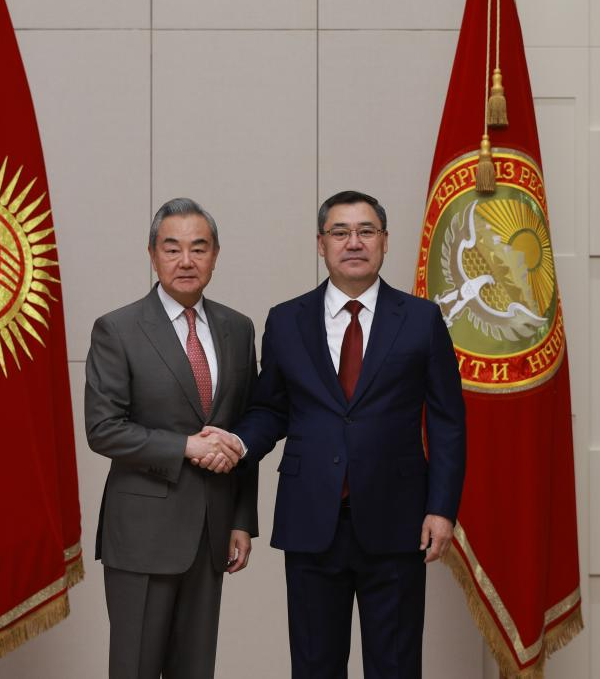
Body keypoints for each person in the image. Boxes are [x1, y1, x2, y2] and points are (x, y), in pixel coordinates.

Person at [204, 190, 466, 678]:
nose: (354, 242)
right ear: (321, 244)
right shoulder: (287, 320)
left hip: (398, 520)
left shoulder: (422, 320)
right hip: (311, 520)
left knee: (396, 666)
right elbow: (270, 409)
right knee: (315, 666)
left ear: (385, 241)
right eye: (340, 232)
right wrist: (236, 444)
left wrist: (441, 508)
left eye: (366, 231)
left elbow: (447, 421)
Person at [85, 197, 258, 679]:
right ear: (152, 254)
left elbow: (244, 428)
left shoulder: (238, 329)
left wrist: (241, 520)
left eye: (198, 248)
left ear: (215, 255)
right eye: (172, 248)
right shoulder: (117, 329)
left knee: (196, 670)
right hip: (142, 536)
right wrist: (185, 446)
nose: (186, 261)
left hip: (212, 534)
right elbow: (103, 429)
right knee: (135, 668)